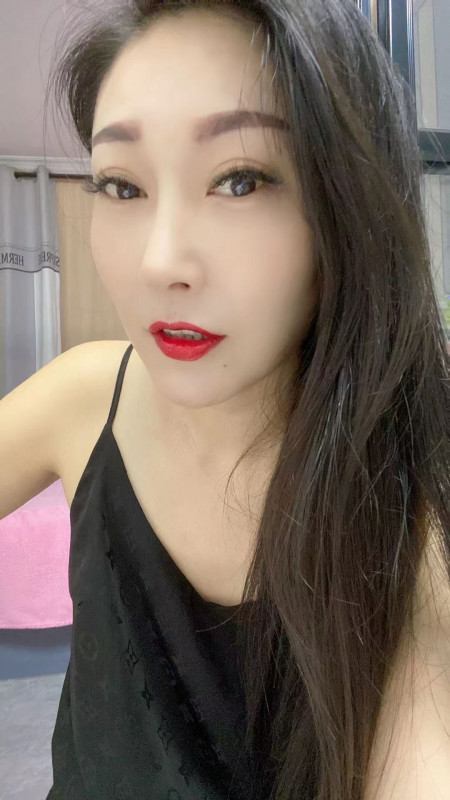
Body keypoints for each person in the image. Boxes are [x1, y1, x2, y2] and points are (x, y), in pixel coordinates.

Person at [0, 0, 448, 798]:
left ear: (349, 207)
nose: (161, 261)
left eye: (240, 180)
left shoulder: (410, 516)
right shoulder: (83, 396)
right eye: (121, 185)